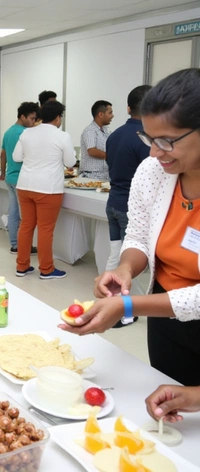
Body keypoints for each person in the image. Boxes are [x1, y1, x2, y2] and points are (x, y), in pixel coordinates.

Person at [58, 68, 200, 387]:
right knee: (170, 406)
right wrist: (125, 270)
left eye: (166, 141)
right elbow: (138, 234)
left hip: (173, 308)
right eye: (148, 138)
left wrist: (128, 304)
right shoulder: (153, 171)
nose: (153, 152)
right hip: (164, 314)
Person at [104, 85, 152, 327]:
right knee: (129, 263)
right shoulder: (144, 139)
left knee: (116, 255)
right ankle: (125, 311)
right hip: (131, 208)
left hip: (113, 201)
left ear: (128, 108)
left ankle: (108, 301)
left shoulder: (114, 135)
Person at [13, 100, 76, 279]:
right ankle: (46, 269)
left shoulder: (27, 133)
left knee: (26, 226)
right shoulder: (62, 136)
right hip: (48, 188)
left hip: (25, 185)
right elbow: (70, 162)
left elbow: (16, 157)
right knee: (45, 229)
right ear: (57, 118)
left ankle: (22, 266)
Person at [0, 102, 40, 255]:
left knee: (13, 213)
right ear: (22, 116)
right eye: (31, 118)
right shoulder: (24, 134)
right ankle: (25, 246)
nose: (33, 122)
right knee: (26, 217)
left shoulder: (9, 132)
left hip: (10, 177)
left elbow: (3, 154)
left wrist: (3, 173)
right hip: (21, 179)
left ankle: (15, 245)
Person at [80, 100, 114, 180]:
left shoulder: (107, 130)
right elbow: (92, 151)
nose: (112, 116)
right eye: (110, 113)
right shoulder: (90, 130)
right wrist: (112, 156)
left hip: (105, 174)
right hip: (91, 176)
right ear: (101, 114)